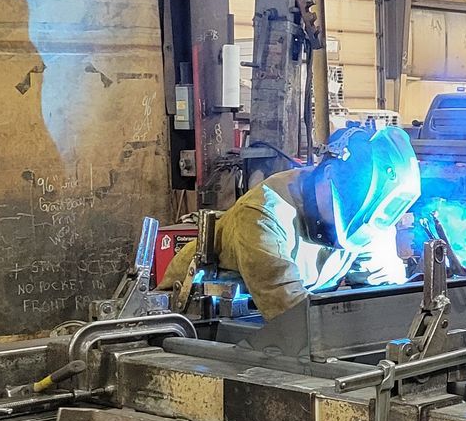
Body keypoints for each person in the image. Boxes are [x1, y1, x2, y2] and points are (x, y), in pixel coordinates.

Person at [162, 124, 421, 319]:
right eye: (348, 208)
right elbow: (290, 317)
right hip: (189, 316)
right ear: (328, 175)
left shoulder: (366, 225)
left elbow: (383, 292)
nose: (355, 229)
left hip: (266, 317)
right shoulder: (265, 214)